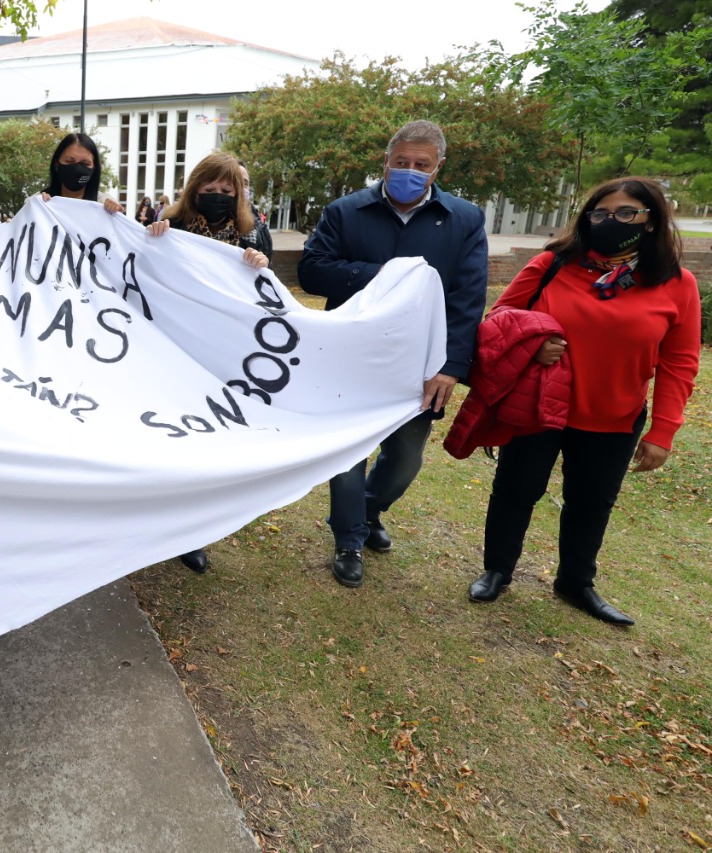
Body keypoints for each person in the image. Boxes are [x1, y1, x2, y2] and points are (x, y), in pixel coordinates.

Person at [466, 177, 700, 625]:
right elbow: (497, 321)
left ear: (652, 221)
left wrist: (663, 430)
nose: (612, 221)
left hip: (615, 415)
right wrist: (531, 345)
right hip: (538, 407)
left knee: (591, 503)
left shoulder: (675, 284)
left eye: (627, 213)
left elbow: (679, 362)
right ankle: (497, 569)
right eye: (601, 213)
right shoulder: (553, 264)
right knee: (516, 491)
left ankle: (575, 583)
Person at [297, 120, 487, 589]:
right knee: (349, 452)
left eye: (421, 165)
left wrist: (452, 366)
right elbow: (312, 271)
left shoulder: (464, 219)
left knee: (405, 458)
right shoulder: (346, 211)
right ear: (386, 161)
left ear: (439, 166)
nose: (409, 171)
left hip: (419, 363)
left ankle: (370, 508)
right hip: (350, 357)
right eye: (401, 162)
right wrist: (383, 275)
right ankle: (348, 538)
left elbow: (468, 296)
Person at [145, 151, 270, 574]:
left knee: (207, 442)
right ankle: (155, 517)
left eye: (226, 190)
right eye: (209, 188)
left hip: (224, 357)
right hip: (172, 350)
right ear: (194, 188)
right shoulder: (172, 225)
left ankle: (191, 534)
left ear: (237, 194)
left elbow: (269, 297)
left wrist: (261, 266)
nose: (217, 195)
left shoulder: (253, 234)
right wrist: (152, 237)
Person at [40, 132, 126, 215]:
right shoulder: (39, 202)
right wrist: (39, 206)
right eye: (69, 161)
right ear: (56, 164)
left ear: (94, 167)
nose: (77, 168)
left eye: (85, 164)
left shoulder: (104, 206)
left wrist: (117, 216)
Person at [237, 160, 273, 262]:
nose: (242, 188)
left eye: (245, 183)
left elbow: (268, 272)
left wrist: (263, 265)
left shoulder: (260, 231)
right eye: (236, 182)